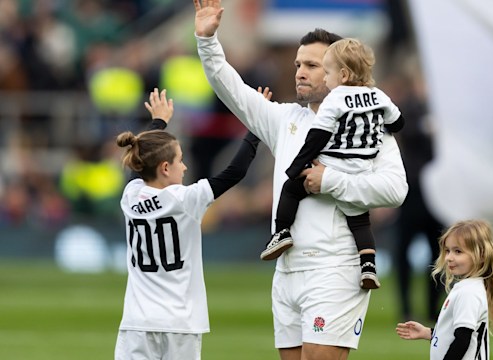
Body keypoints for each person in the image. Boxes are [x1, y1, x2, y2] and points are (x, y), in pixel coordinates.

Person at [192, 1, 408, 359]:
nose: (300, 73)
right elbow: (230, 88)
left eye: (312, 65)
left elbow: (396, 189)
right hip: (287, 269)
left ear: (340, 73)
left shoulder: (370, 126)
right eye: (298, 65)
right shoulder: (284, 120)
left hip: (335, 266)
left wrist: (331, 180)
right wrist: (207, 40)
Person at [114, 87, 265, 360]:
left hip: (137, 322)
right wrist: (254, 130)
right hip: (180, 323)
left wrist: (158, 123)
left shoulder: (130, 195)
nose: (184, 168)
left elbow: (142, 160)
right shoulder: (185, 199)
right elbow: (235, 172)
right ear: (165, 168)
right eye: (180, 161)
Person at [261, 37, 405, 291]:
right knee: (360, 220)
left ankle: (281, 233)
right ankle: (369, 264)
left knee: (290, 189)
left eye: (327, 72)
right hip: (361, 170)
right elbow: (397, 123)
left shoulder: (335, 100)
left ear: (344, 74)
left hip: (332, 166)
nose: (325, 79)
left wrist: (296, 169)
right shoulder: (378, 96)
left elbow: (317, 138)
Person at [395, 219, 493, 360]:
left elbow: (462, 339)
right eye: (447, 251)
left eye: (458, 251)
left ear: (481, 255)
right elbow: (456, 333)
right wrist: (429, 333)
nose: (449, 257)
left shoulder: (468, 293)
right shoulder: (467, 288)